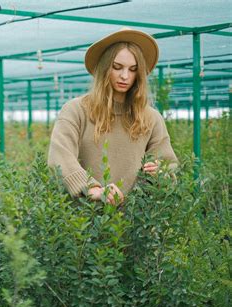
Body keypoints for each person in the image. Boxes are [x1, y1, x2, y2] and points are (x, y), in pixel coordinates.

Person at [48, 28, 177, 204]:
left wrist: (161, 174)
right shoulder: (76, 110)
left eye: (133, 70)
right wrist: (93, 189)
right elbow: (60, 157)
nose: (125, 76)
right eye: (117, 67)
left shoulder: (151, 118)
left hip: (135, 223)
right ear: (104, 68)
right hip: (83, 222)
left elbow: (167, 165)